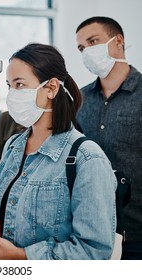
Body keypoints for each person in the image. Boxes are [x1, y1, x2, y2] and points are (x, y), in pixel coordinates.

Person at [0, 43, 117, 260]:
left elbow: (93, 252)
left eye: (20, 84)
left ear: (51, 88)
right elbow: (9, 212)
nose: (12, 94)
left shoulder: (87, 159)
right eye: (9, 86)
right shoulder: (13, 146)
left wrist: (21, 256)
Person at [76, 16, 142, 260]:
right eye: (82, 48)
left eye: (93, 41)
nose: (87, 52)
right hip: (91, 230)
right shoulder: (80, 100)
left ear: (118, 41)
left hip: (137, 230)